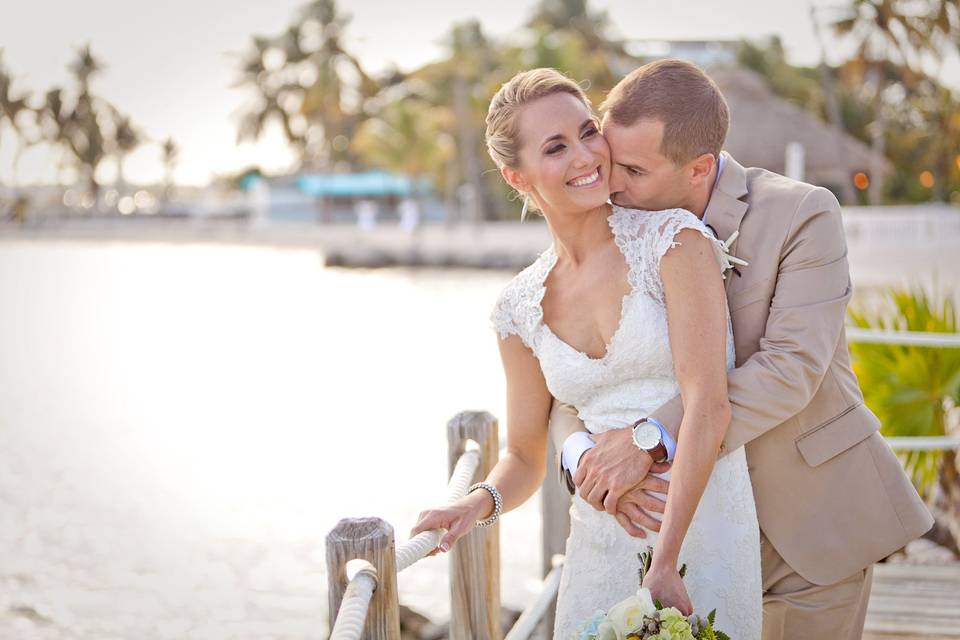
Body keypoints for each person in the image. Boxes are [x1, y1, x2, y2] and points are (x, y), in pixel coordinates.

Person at [550, 59, 934, 640]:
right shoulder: (610, 226)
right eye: (610, 160)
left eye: (633, 169)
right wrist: (585, 459)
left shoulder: (804, 213)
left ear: (700, 167)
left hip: (805, 526)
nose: (614, 184)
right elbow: (569, 381)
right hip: (684, 535)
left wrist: (646, 441)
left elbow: (791, 369)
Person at [410, 66, 763, 638]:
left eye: (587, 131)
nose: (586, 156)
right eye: (555, 147)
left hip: (704, 532)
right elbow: (524, 456)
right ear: (517, 176)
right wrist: (476, 504)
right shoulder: (517, 309)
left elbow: (709, 404)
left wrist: (666, 562)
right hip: (598, 544)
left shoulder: (674, 242)